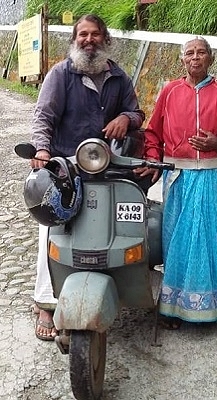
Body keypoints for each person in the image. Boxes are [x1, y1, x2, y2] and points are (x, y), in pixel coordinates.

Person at [29, 14, 145, 340]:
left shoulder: (118, 76)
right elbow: (43, 117)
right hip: (66, 166)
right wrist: (41, 152)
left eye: (95, 34)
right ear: (74, 39)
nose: (89, 40)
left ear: (105, 39)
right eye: (83, 34)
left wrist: (125, 117)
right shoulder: (61, 74)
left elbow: (138, 113)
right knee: (51, 231)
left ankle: (117, 282)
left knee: (122, 222)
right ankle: (46, 302)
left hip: (109, 166)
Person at [135, 37, 217, 328]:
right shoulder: (170, 92)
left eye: (201, 53)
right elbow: (153, 133)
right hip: (178, 176)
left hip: (211, 176)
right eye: (189, 53)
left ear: (211, 58)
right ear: (182, 60)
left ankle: (210, 308)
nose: (195, 57)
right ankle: (174, 309)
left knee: (207, 241)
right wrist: (153, 160)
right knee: (177, 240)